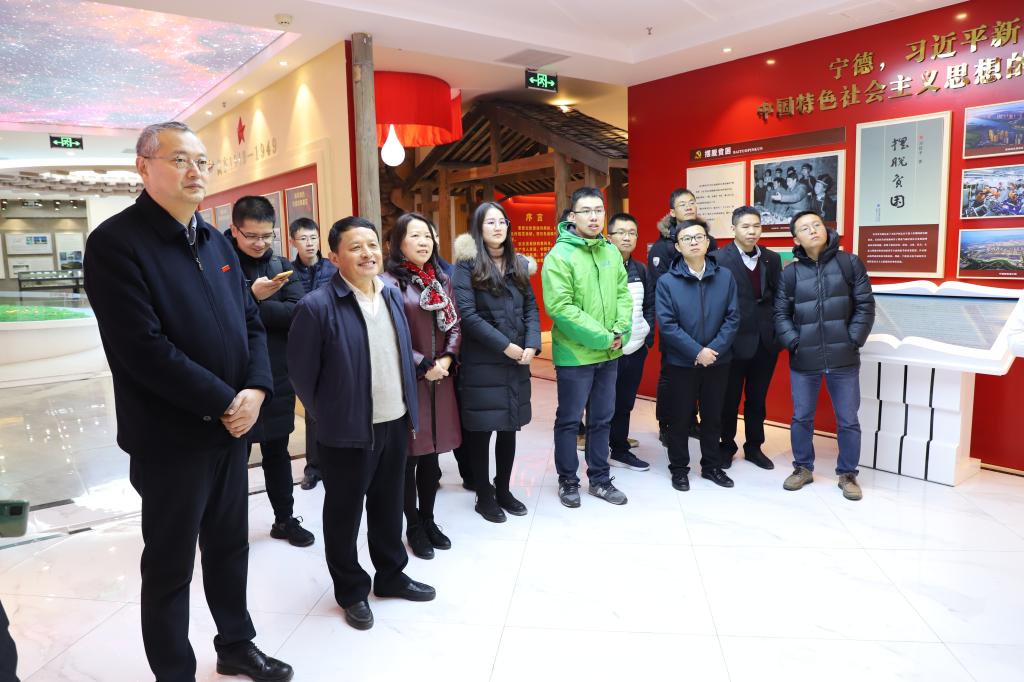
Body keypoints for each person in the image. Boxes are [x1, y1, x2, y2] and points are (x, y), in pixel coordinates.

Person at [83, 122, 292, 681]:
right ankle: (174, 670)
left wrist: (257, 389)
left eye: (202, 161)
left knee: (229, 548)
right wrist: (226, 401)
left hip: (230, 430)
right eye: (180, 160)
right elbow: (141, 348)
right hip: (170, 438)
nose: (195, 171)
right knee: (170, 566)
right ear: (143, 167)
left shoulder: (216, 241)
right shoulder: (116, 244)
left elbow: (249, 321)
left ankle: (236, 644)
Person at [287, 216, 435, 632]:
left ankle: (390, 575)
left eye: (371, 244)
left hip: (394, 421)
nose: (367, 253)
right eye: (355, 247)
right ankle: (351, 590)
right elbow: (301, 374)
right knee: (344, 513)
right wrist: (332, 414)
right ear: (334, 257)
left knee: (388, 506)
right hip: (347, 430)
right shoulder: (316, 306)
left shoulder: (390, 294)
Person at [227, 197, 313, 548]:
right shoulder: (220, 264)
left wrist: (248, 305)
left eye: (267, 235)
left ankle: (284, 519)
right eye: (252, 236)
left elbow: (299, 313)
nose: (260, 243)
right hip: (234, 377)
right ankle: (230, 530)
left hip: (277, 373)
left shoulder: (280, 265)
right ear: (234, 230)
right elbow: (214, 315)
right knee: (233, 460)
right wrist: (254, 296)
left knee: (278, 452)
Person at [774, 210, 875, 501]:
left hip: (843, 357)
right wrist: (794, 342)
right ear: (796, 239)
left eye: (816, 225)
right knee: (801, 417)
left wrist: (852, 339)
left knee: (848, 419)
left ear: (825, 229)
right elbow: (780, 314)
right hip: (804, 358)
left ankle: (848, 473)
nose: (813, 230)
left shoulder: (849, 263)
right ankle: (803, 468)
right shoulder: (790, 273)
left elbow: (865, 305)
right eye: (805, 228)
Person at [542, 187, 633, 508]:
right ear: (573, 216)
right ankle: (568, 480)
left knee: (602, 419)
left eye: (598, 210)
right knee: (569, 421)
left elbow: (623, 294)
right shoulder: (559, 256)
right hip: (575, 355)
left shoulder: (610, 252)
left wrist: (621, 329)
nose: (594, 217)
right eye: (586, 211)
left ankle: (600, 479)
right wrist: (604, 337)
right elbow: (561, 308)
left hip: (610, 351)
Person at [453, 202, 541, 523]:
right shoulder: (466, 265)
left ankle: (503, 489)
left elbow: (531, 308)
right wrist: (506, 347)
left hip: (516, 361)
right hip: (482, 361)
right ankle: (484, 494)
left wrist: (531, 343)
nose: (498, 227)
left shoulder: (518, 263)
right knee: (481, 431)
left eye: (502, 221)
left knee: (509, 428)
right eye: (490, 222)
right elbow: (467, 315)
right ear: (478, 228)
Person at [381, 212, 461, 558]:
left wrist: (446, 359)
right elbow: (389, 334)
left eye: (428, 235)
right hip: (409, 381)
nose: (424, 242)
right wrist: (422, 364)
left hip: (440, 380)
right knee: (408, 459)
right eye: (415, 235)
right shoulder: (387, 284)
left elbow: (455, 324)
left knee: (432, 456)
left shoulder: (441, 279)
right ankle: (412, 525)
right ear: (398, 242)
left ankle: (428, 520)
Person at [656, 219, 739, 492]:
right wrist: (696, 352)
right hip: (681, 362)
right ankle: (679, 469)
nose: (693, 242)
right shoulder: (667, 282)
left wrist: (712, 351)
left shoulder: (725, 277)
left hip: (718, 360)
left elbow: (732, 318)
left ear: (707, 242)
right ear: (678, 246)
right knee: (680, 418)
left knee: (713, 417)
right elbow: (667, 325)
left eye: (698, 237)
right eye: (687, 238)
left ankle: (711, 466)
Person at [716, 206, 782, 470]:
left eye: (756, 226)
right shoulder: (719, 258)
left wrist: (777, 332)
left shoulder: (771, 259)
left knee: (757, 398)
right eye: (745, 226)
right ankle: (726, 445)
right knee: (728, 398)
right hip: (732, 341)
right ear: (733, 228)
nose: (752, 231)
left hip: (765, 341)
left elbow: (778, 297)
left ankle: (754, 447)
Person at [288, 217, 337, 491]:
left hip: (334, 344)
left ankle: (336, 463)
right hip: (306, 347)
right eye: (303, 238)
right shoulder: (287, 272)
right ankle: (314, 467)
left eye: (313, 237)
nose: (309, 243)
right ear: (293, 241)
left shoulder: (333, 268)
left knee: (339, 404)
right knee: (311, 408)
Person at [606, 212, 654, 471]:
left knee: (625, 403)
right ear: (609, 236)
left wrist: (647, 335)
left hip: (635, 348)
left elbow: (650, 305)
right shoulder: (600, 267)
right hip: (606, 350)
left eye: (632, 233)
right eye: (621, 232)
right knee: (601, 404)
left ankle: (619, 449)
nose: (627, 237)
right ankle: (597, 452)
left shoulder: (641, 269)